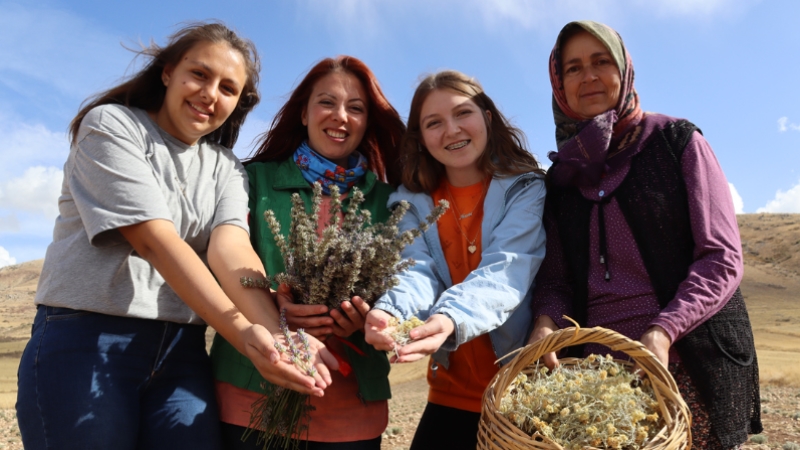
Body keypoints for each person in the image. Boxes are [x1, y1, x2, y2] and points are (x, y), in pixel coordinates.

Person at [15, 22, 335, 450]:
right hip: (85, 338)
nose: (209, 94)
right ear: (167, 72)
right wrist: (243, 332)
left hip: (181, 351)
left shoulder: (225, 167)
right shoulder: (111, 126)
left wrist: (278, 334)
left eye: (227, 88)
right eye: (199, 74)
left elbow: (231, 249)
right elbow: (155, 241)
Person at [528, 20, 762, 449]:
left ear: (624, 69)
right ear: (559, 84)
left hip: (689, 358)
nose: (590, 76)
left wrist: (662, 330)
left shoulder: (676, 142)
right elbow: (556, 279)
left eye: (601, 62)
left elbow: (721, 256)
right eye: (574, 68)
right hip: (600, 381)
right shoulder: (562, 178)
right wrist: (545, 322)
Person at [210, 55, 406, 450]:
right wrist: (272, 306)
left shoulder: (392, 203)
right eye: (327, 102)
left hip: (352, 412)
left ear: (368, 121)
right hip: (252, 400)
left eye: (356, 108)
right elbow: (219, 261)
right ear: (303, 113)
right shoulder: (252, 180)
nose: (341, 116)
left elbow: (410, 284)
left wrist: (369, 318)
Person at [364, 70, 547, 450]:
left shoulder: (526, 188)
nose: (451, 130)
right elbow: (416, 268)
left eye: (463, 113)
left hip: (521, 397)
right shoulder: (411, 202)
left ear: (488, 118)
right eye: (434, 123)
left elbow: (508, 269)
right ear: (420, 138)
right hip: (450, 396)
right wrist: (391, 311)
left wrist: (448, 318)